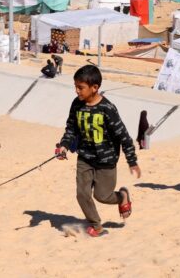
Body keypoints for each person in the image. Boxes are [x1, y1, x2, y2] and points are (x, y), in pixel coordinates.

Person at [56, 65, 140, 237]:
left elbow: (124, 136)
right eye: (76, 86)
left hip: (106, 161)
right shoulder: (76, 104)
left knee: (103, 196)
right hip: (85, 158)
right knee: (82, 194)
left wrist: (132, 161)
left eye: (81, 87)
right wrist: (63, 145)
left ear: (94, 88)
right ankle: (96, 224)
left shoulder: (107, 109)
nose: (77, 91)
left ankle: (122, 196)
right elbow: (71, 128)